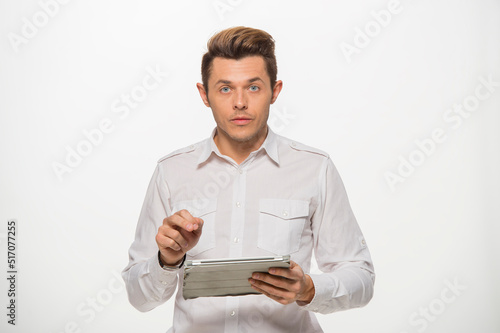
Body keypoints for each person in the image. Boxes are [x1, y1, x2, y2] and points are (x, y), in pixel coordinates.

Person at [122, 26, 375, 333]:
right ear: (204, 94)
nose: (240, 102)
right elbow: (139, 297)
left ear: (275, 91)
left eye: (253, 88)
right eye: (225, 88)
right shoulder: (171, 171)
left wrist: (308, 289)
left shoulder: (314, 168)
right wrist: (167, 260)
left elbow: (361, 278)